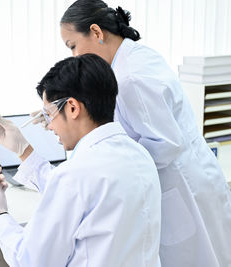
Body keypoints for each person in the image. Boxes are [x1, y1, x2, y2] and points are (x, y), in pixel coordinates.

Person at [54, 1, 231, 267]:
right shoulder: (133, 56)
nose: (74, 57)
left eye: (73, 46)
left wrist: (114, 169)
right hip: (195, 177)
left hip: (180, 189)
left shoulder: (130, 78)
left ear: (96, 32)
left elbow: (165, 145)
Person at [0, 54, 162, 267]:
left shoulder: (74, 175)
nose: (49, 125)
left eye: (49, 114)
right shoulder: (139, 155)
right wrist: (23, 150)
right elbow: (83, 196)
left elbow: (30, 261)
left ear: (73, 108)